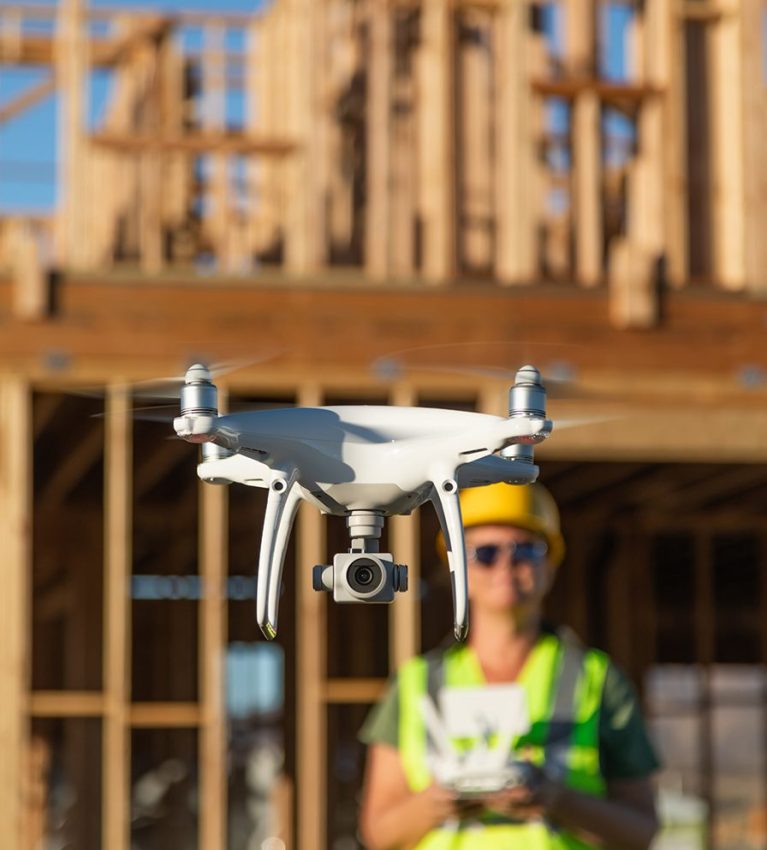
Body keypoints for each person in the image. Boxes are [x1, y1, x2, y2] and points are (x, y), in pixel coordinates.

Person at [358, 482, 660, 850]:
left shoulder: (596, 679)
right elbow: (378, 832)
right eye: (485, 553)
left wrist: (558, 800)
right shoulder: (414, 685)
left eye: (526, 550)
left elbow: (641, 829)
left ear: (549, 565)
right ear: (458, 570)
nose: (505, 564)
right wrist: (433, 805)